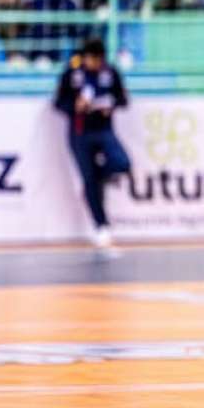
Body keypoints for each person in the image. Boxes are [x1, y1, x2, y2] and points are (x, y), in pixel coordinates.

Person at [54, 38, 131, 254]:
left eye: (97, 59)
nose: (94, 63)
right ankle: (101, 226)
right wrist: (76, 106)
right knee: (89, 181)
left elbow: (123, 99)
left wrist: (111, 105)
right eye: (90, 59)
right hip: (80, 132)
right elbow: (59, 102)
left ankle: (98, 177)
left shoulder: (110, 72)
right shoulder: (72, 72)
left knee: (121, 163)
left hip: (104, 130)